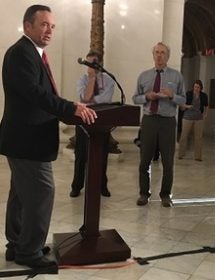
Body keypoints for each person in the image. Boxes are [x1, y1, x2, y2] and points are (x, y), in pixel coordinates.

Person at [0, 5, 97, 268]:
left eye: (52, 26)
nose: (49, 31)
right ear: (28, 26)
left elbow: (43, 96)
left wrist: (66, 109)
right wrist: (71, 108)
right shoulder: (21, 53)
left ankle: (17, 244)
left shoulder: (32, 53)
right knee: (42, 192)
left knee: (21, 194)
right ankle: (29, 253)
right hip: (27, 140)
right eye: (43, 24)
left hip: (24, 138)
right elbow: (36, 94)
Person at [132, 42, 185, 207]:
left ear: (168, 56)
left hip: (168, 121)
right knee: (144, 160)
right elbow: (135, 98)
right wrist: (147, 97)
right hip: (149, 120)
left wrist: (172, 96)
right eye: (157, 52)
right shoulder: (144, 75)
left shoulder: (177, 76)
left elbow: (183, 100)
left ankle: (165, 195)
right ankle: (143, 193)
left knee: (168, 162)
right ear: (153, 55)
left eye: (163, 53)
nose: (160, 55)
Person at [70, 51, 114, 198]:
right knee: (81, 155)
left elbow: (106, 99)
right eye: (87, 63)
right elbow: (85, 97)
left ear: (99, 64)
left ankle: (102, 185)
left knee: (102, 154)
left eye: (92, 63)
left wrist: (92, 101)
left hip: (103, 120)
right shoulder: (82, 79)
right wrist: (92, 78)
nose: (89, 66)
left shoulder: (108, 80)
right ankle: (77, 186)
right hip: (83, 120)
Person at [178, 79, 208, 161]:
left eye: (198, 87)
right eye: (195, 87)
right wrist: (188, 106)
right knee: (184, 136)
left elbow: (206, 106)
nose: (196, 88)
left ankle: (198, 156)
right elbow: (182, 105)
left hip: (199, 118)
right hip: (188, 117)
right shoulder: (188, 94)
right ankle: (181, 154)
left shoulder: (204, 95)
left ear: (200, 88)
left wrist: (205, 114)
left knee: (198, 137)